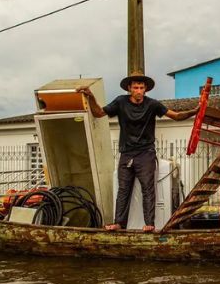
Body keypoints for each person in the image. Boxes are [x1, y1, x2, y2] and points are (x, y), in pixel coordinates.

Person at [79, 71, 198, 233]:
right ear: (129, 88)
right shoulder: (120, 102)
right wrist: (90, 96)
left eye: (142, 87)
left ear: (146, 89)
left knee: (148, 189)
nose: (139, 90)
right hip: (126, 153)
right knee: (123, 189)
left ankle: (149, 224)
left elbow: (175, 116)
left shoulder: (153, 104)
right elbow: (98, 113)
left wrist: (194, 111)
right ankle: (119, 223)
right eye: (135, 87)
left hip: (146, 153)